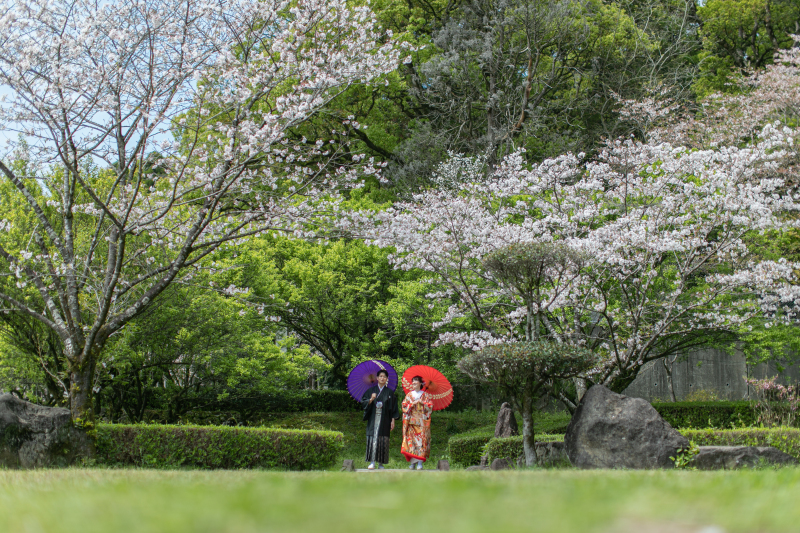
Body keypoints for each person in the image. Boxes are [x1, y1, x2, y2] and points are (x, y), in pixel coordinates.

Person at [361, 369, 400, 469]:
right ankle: (372, 462)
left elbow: (393, 408)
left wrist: (393, 420)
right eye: (380, 376)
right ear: (377, 378)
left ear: (386, 379)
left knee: (383, 439)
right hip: (373, 418)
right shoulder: (371, 391)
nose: (382, 378)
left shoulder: (390, 392)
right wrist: (371, 399)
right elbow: (363, 402)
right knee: (372, 438)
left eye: (384, 377)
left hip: (385, 419)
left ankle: (381, 463)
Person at [401, 375, 433, 470]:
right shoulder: (409, 395)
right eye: (413, 382)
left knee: (421, 443)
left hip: (422, 422)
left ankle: (419, 463)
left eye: (416, 382)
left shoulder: (425, 395)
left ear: (420, 383)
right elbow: (404, 406)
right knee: (412, 442)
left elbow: (430, 407)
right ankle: (412, 463)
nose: (414, 383)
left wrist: (423, 403)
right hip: (411, 422)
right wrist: (412, 404)